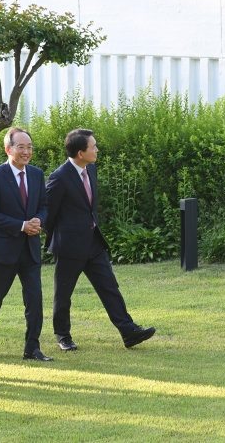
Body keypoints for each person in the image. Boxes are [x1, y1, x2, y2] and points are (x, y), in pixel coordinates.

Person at [44, 129, 156, 350]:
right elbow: (49, 214)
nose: (97, 149)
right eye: (93, 146)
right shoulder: (59, 177)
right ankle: (63, 336)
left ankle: (128, 331)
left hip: (93, 242)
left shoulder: (91, 169)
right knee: (64, 293)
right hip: (69, 246)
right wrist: (61, 239)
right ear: (80, 153)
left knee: (109, 287)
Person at [0, 127, 53, 362]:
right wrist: (21, 225)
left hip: (29, 249)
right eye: (21, 147)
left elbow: (44, 206)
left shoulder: (37, 174)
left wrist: (40, 219)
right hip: (3, 250)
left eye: (29, 147)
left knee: (35, 300)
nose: (26, 152)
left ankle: (32, 348)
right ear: (8, 149)